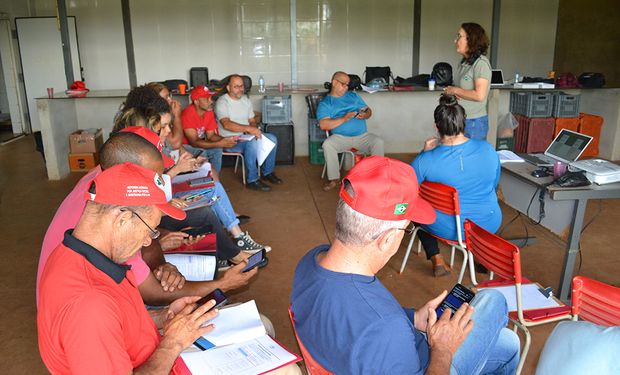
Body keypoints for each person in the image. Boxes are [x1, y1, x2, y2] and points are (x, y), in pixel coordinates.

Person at [291, 156, 519, 374]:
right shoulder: (386, 328)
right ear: (388, 239)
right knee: (493, 300)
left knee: (508, 345)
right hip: (429, 363)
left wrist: (411, 318)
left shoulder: (311, 260)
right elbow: (376, 324)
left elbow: (353, 319)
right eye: (406, 229)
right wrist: (442, 349)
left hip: (369, 354)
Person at [37, 130, 257, 306]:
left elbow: (148, 240)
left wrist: (163, 264)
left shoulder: (104, 184)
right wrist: (222, 285)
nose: (159, 182)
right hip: (84, 306)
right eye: (152, 177)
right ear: (129, 171)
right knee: (194, 306)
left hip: (86, 298)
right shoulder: (114, 219)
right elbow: (153, 293)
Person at [38, 162, 220, 373]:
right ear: (123, 219)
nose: (147, 242)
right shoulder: (90, 304)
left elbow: (116, 324)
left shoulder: (74, 254)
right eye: (150, 231)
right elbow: (99, 321)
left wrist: (163, 315)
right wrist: (173, 344)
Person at [411, 94, 501, 277]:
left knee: (415, 207)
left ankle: (436, 257)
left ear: (437, 128)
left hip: (449, 228)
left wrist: (423, 152)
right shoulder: (489, 150)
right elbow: (494, 184)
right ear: (464, 123)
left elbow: (407, 187)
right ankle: (484, 255)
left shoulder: (425, 160)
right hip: (489, 223)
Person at [317, 71, 384, 191]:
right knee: (328, 144)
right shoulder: (326, 103)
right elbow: (323, 124)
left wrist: (365, 114)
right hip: (340, 138)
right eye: (343, 84)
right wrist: (344, 118)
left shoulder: (353, 96)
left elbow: (368, 110)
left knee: (378, 142)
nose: (346, 87)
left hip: (362, 136)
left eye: (347, 84)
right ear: (334, 83)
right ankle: (334, 179)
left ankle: (377, 177)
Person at [215, 74, 282, 192]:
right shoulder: (222, 102)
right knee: (252, 144)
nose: (240, 89)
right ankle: (252, 180)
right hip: (230, 140)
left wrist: (253, 130)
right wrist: (249, 130)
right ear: (228, 88)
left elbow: (252, 120)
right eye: (236, 86)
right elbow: (226, 124)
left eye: (241, 86)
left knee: (272, 138)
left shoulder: (245, 100)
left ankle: (268, 172)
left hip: (246, 136)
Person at [444, 22, 492, 140]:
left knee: (471, 157)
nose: (455, 41)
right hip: (460, 119)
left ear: (471, 40)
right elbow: (462, 91)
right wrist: (454, 93)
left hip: (474, 123)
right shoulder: (464, 62)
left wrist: (455, 90)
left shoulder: (481, 63)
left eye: (459, 36)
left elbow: (480, 95)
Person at [181, 86, 238, 174]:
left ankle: (215, 181)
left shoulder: (209, 112)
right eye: (206, 98)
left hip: (198, 143)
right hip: (185, 146)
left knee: (217, 150)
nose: (210, 101)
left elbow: (211, 136)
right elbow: (194, 142)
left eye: (210, 98)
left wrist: (225, 140)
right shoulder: (187, 113)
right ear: (196, 101)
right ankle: (204, 182)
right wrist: (219, 143)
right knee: (202, 152)